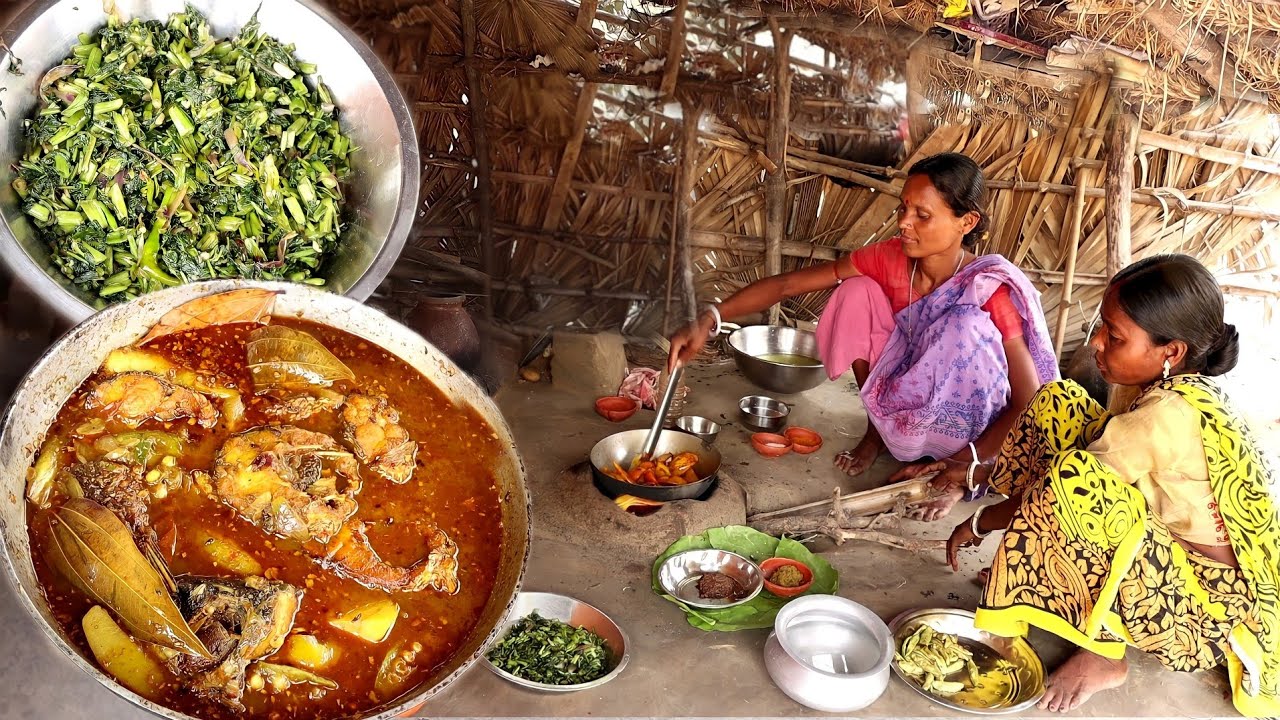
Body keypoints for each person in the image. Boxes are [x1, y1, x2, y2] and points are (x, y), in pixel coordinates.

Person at [945, 254, 1278, 716]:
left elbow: (1065, 488)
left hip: (1201, 614)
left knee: (1077, 487)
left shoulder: (1168, 416)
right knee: (1057, 404)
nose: (1097, 343)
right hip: (1173, 560)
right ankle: (1035, 574)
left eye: (1115, 336)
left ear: (1172, 352)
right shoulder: (1161, 383)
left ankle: (1104, 654)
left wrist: (982, 522)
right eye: (1101, 326)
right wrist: (985, 487)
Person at [667, 153, 1058, 517]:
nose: (904, 222)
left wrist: (969, 462)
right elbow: (789, 284)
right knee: (855, 293)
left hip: (970, 432)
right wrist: (711, 316)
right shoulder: (890, 257)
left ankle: (954, 474)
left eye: (922, 214)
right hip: (909, 394)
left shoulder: (988, 287)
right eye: (903, 208)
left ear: (966, 223)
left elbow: (1030, 399)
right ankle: (878, 435)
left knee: (964, 327)